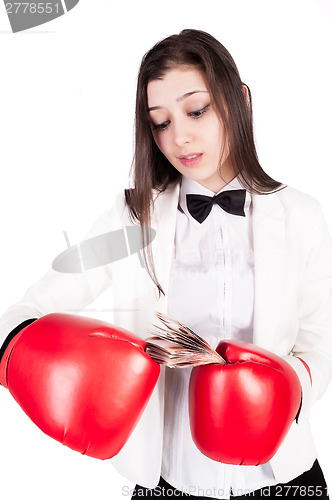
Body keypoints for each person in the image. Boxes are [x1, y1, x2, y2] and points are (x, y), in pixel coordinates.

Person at [0, 29, 331, 499]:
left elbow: (321, 344)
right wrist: (18, 355)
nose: (180, 137)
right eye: (159, 122)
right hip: (168, 480)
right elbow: (24, 312)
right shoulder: (130, 217)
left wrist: (283, 388)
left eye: (197, 110)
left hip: (284, 473)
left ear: (239, 100)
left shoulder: (301, 215)